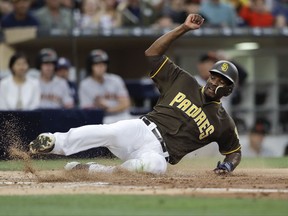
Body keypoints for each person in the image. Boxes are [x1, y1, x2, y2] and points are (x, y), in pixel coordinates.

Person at [29, 14, 242, 175]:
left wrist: (228, 166)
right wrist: (183, 28)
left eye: (221, 81)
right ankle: (54, 142)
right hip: (141, 129)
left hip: (160, 154)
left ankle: (91, 170)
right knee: (108, 132)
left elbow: (234, 151)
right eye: (214, 76)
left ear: (229, 89)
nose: (214, 81)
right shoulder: (184, 81)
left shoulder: (223, 122)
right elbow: (152, 54)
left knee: (156, 167)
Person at [78, 49, 131, 124]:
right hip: (101, 120)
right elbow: (87, 111)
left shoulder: (116, 80)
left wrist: (107, 108)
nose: (100, 67)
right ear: (90, 66)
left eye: (103, 64)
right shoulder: (85, 84)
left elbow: (126, 104)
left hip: (121, 117)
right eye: (96, 64)